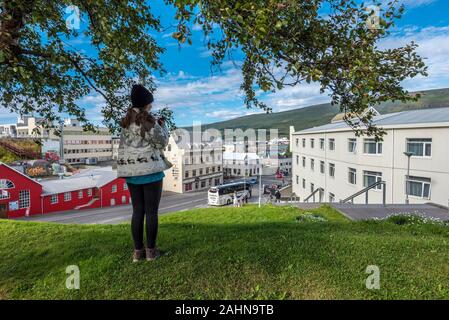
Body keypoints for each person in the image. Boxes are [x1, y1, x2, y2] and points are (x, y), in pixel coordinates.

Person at [117, 84, 172, 262]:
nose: (151, 106)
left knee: (137, 212)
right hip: (150, 170)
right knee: (152, 212)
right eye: (150, 103)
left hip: (132, 172)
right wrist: (163, 126)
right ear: (146, 103)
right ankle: (151, 252)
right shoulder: (147, 121)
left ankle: (137, 252)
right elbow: (161, 142)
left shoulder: (126, 121)